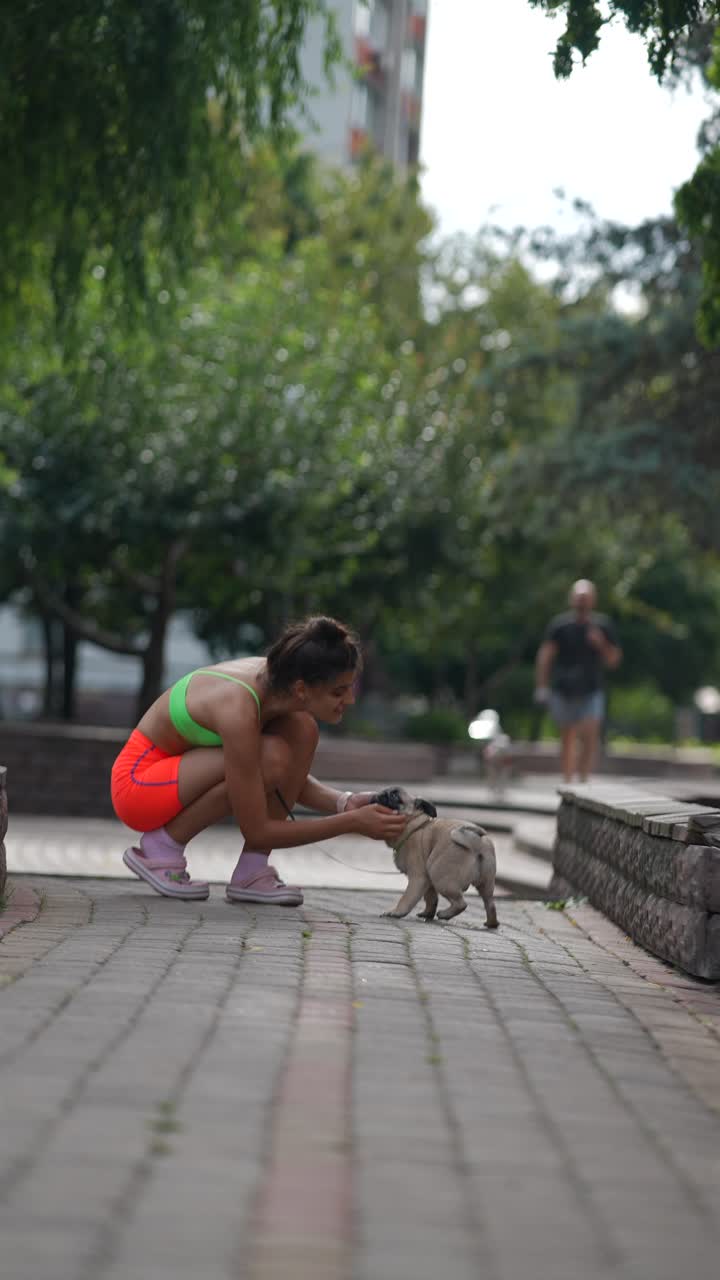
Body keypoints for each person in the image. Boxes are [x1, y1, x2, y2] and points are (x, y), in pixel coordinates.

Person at [110, 616, 407, 906]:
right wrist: (351, 823)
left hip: (181, 774)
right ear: (301, 689)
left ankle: (251, 871)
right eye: (338, 691)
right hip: (138, 787)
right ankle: (162, 849)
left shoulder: (280, 680)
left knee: (302, 730)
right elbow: (258, 828)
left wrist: (344, 803)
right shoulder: (238, 710)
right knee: (274, 754)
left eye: (351, 687)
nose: (350, 699)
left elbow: (269, 774)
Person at [534, 580, 622, 783]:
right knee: (567, 737)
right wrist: (541, 686)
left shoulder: (603, 626)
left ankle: (583, 780)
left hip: (591, 689)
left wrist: (601, 644)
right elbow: (545, 656)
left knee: (590, 735)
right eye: (579, 597)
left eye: (586, 598)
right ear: (571, 599)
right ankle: (568, 782)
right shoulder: (559, 626)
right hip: (564, 689)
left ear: (593, 600)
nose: (582, 602)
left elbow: (614, 660)